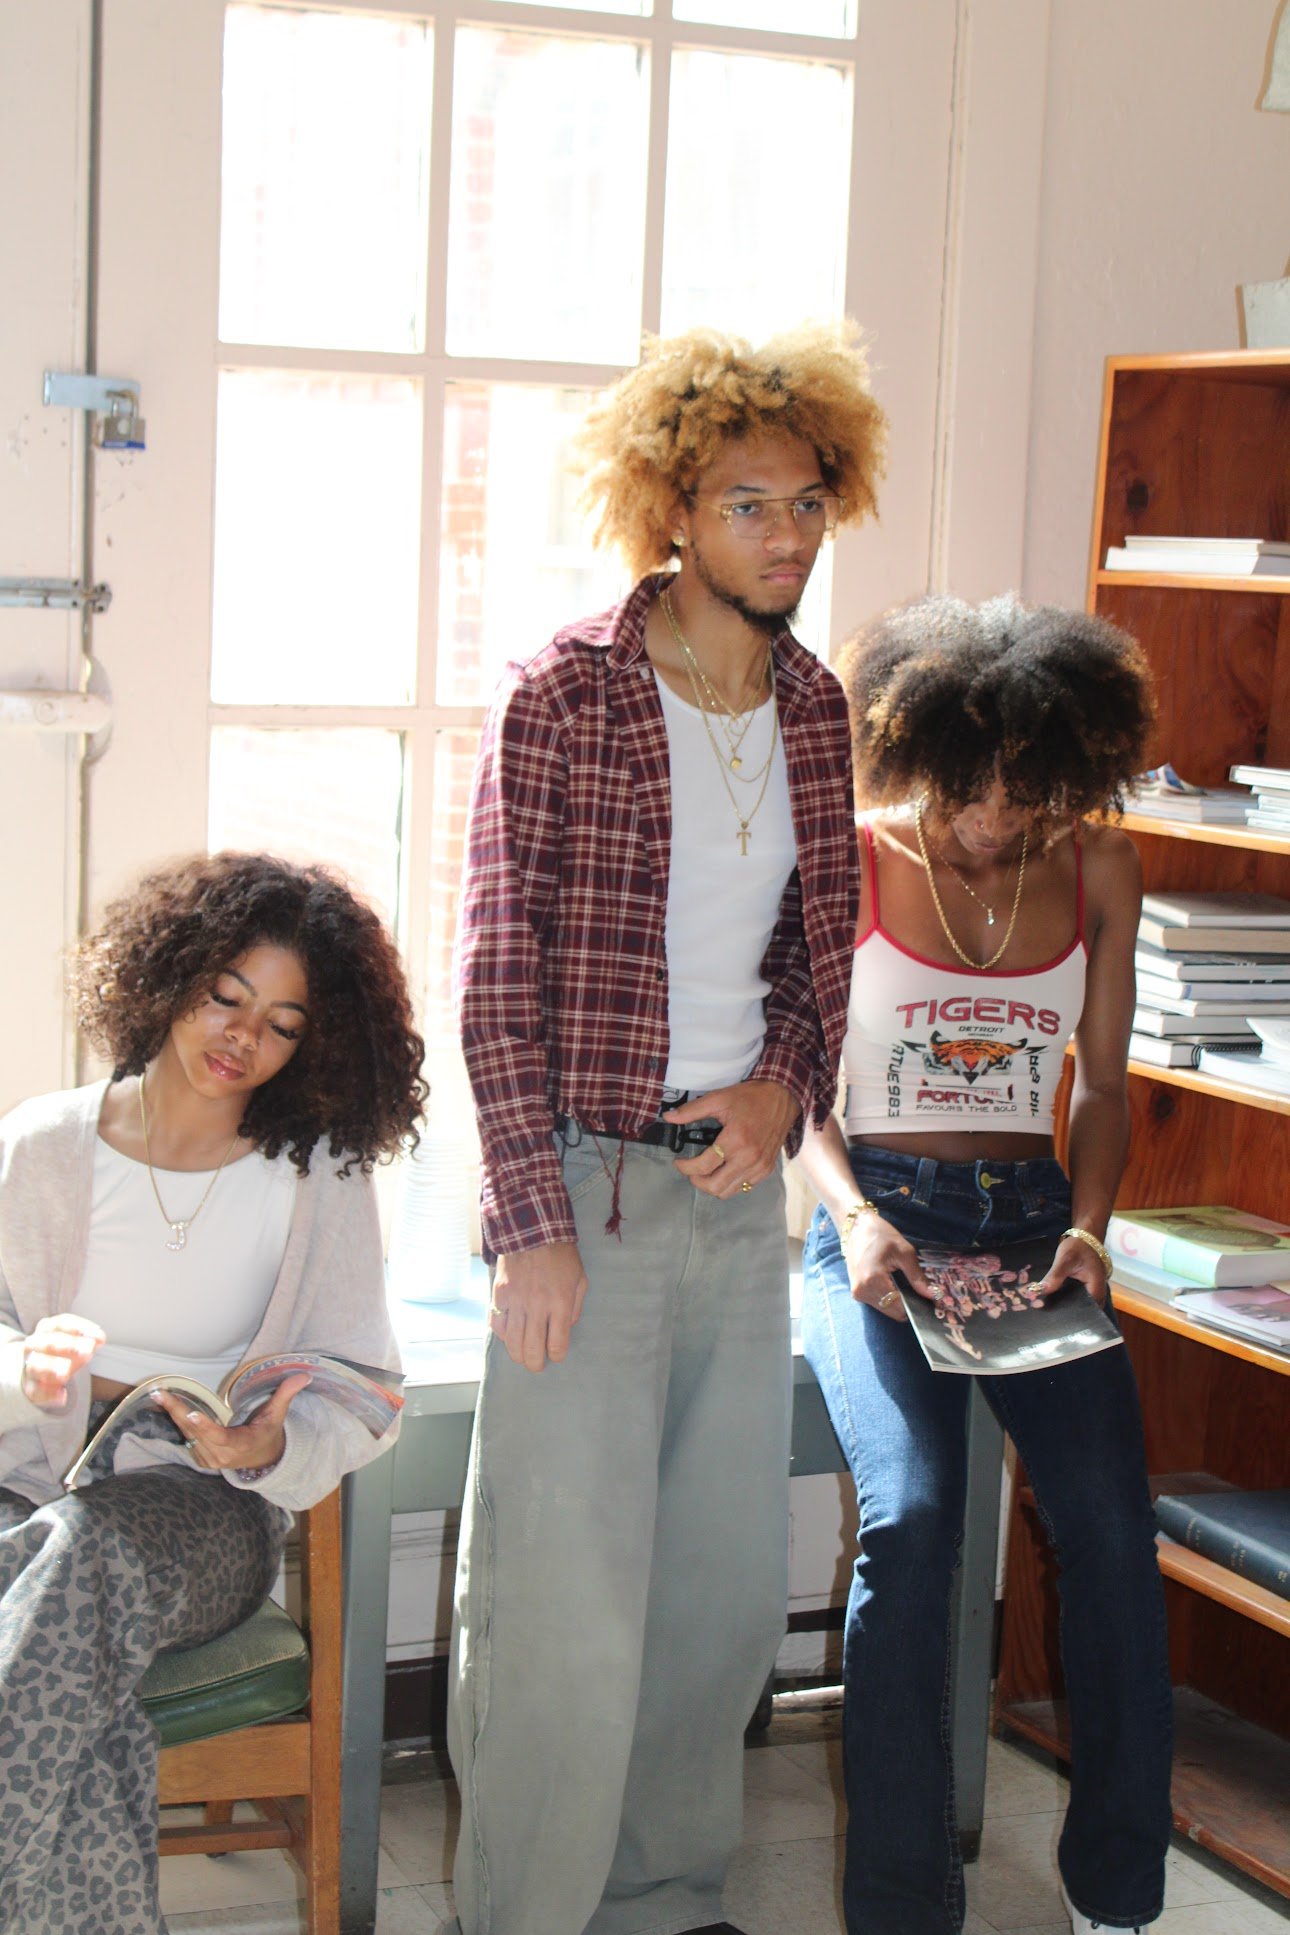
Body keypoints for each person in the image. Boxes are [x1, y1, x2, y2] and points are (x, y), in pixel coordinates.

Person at [450, 322, 887, 1935]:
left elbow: (815, 950)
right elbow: (496, 973)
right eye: (745, 502)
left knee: (710, 1601)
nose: (783, 535)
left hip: (732, 1197)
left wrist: (783, 1089)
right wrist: (527, 1222)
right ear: (675, 514)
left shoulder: (818, 709)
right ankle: (526, 1916)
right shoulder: (565, 696)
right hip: (585, 1189)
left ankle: (665, 1904)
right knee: (561, 1613)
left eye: (804, 502)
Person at [796, 594, 1173, 1935]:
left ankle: (1116, 1894)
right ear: (916, 751)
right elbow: (797, 1087)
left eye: (1028, 793)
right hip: (879, 1214)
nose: (992, 820)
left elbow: (1106, 1089)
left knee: (1113, 1535)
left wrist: (1089, 1227)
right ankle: (903, 1909)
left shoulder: (1102, 872)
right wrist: (850, 1217)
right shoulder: (843, 859)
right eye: (969, 789)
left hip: (1033, 1223)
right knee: (908, 1523)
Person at [0, 851, 426, 1935]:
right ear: (167, 978)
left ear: (315, 1043)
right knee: (64, 1631)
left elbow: (365, 1388)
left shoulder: (318, 1173)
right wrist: (26, 1368)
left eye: (282, 1023)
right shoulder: (42, 1146)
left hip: (200, 1511)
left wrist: (266, 1453)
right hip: (24, 1486)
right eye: (223, 996)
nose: (241, 1036)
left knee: (80, 1556)